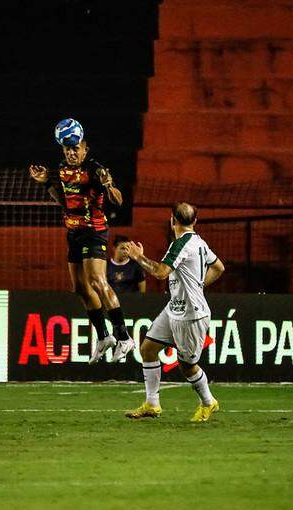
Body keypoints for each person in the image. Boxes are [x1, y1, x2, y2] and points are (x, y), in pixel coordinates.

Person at [28, 118, 135, 364]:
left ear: (85, 148)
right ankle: (104, 336)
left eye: (75, 148)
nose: (71, 153)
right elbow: (64, 202)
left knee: (97, 281)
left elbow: (118, 200)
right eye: (67, 149)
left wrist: (109, 186)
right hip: (74, 233)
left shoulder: (95, 169)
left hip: (94, 231)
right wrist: (46, 184)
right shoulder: (62, 169)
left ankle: (124, 336)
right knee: (79, 288)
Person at [123, 202, 225, 422]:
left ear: (172, 221)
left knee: (187, 366)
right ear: (195, 222)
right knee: (148, 348)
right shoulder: (199, 242)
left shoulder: (180, 245)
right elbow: (218, 267)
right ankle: (152, 404)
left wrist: (138, 257)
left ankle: (209, 402)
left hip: (191, 314)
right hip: (174, 309)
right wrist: (199, 285)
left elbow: (161, 273)